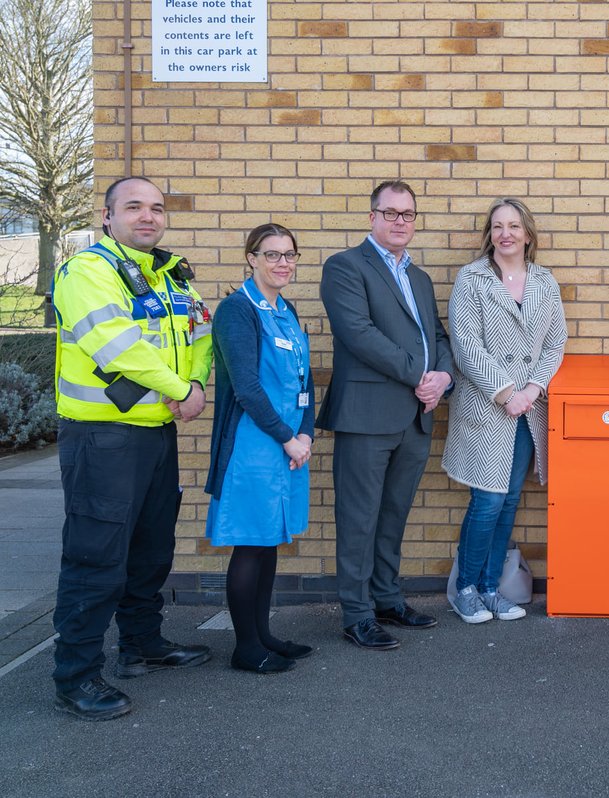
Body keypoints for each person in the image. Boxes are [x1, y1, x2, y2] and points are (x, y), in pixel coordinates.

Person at [50, 176, 213, 720]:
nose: (148, 216)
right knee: (96, 557)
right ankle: (75, 675)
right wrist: (180, 390)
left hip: (155, 432)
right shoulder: (88, 270)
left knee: (151, 549)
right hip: (102, 437)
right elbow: (116, 344)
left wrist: (194, 385)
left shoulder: (171, 275)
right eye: (134, 207)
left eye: (157, 208)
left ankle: (142, 645)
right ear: (107, 216)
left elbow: (201, 334)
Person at [318, 180, 454, 650]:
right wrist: (421, 375)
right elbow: (358, 333)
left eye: (407, 214)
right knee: (359, 518)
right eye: (390, 212)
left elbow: (438, 336)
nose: (400, 221)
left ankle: (386, 599)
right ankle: (356, 614)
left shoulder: (419, 278)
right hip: (367, 415)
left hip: (415, 416)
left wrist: (443, 376)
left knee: (394, 514)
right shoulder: (345, 267)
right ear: (371, 216)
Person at [442, 199, 567, 623]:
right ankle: (466, 589)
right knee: (488, 499)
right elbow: (465, 345)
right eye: (498, 226)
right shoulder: (472, 278)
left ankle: (492, 589)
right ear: (490, 234)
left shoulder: (544, 281)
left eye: (514, 226)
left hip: (527, 409)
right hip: (487, 407)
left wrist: (532, 389)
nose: (506, 234)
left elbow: (556, 342)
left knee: (510, 499)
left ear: (527, 234)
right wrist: (505, 392)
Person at [204, 224, 315, 673]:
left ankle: (264, 635)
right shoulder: (238, 310)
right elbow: (247, 387)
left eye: (289, 254)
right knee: (250, 545)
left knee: (268, 543)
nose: (282, 263)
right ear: (251, 258)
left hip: (287, 445)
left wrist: (305, 433)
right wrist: (288, 437)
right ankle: (246, 648)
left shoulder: (285, 310)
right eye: (272, 254)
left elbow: (305, 381)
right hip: (253, 446)